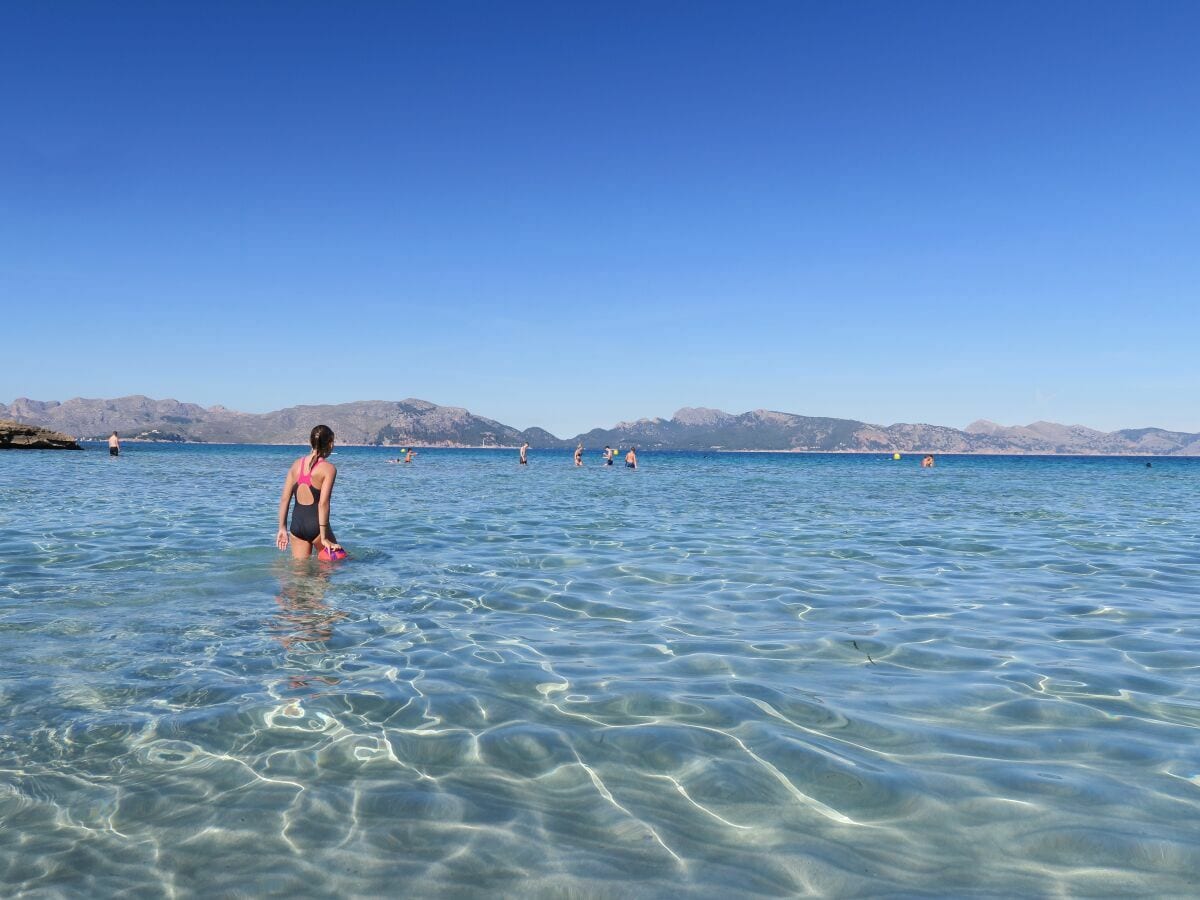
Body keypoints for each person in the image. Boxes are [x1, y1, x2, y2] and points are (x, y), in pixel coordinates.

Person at [276, 424, 344, 560]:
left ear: (310, 442)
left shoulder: (296, 465)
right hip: (317, 527)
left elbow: (284, 499)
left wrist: (282, 528)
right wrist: (324, 537)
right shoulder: (328, 469)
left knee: (299, 575)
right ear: (330, 444)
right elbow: (323, 503)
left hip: (297, 526)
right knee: (336, 564)